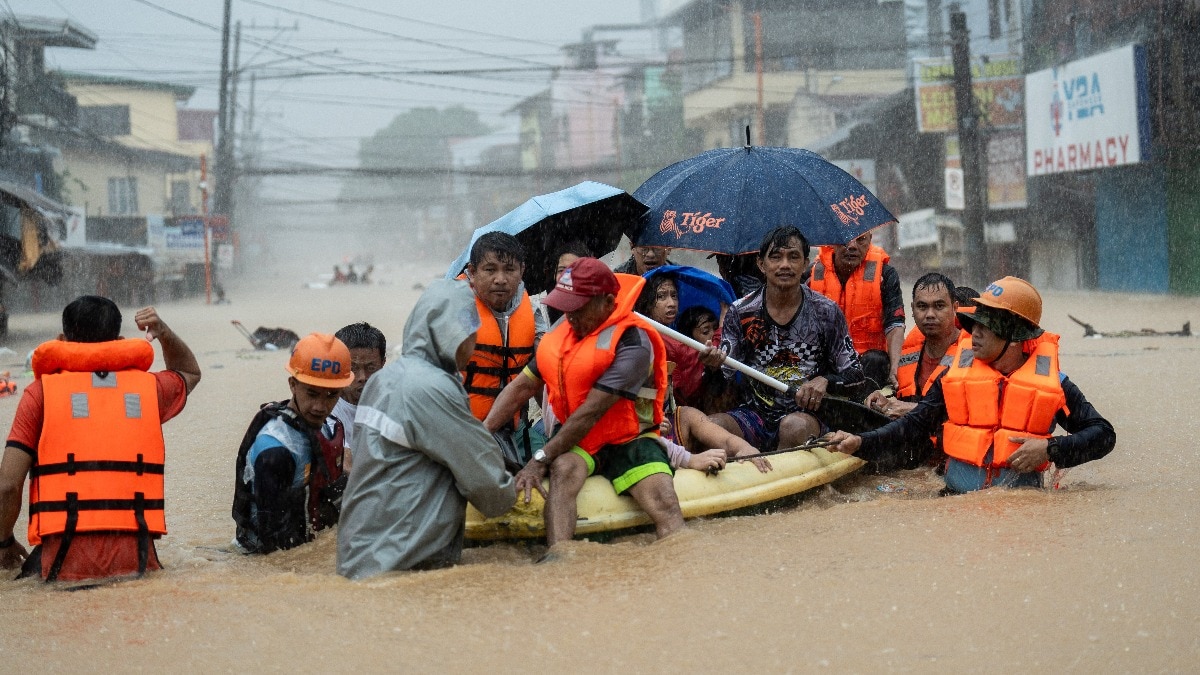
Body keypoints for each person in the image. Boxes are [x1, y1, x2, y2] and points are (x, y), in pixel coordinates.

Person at [825, 276, 1117, 493]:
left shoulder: (1055, 385)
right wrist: (861, 442)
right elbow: (912, 427)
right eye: (972, 325)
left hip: (1022, 511)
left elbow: (1104, 435)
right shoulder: (953, 380)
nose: (971, 334)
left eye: (983, 327)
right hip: (952, 501)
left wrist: (1050, 449)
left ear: (1013, 334)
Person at [484, 258, 685, 548]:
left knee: (664, 499)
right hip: (580, 440)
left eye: (578, 307)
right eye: (565, 306)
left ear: (607, 302)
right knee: (563, 470)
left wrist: (539, 459)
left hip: (630, 438)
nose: (570, 316)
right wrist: (483, 430)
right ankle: (558, 559)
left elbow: (590, 412)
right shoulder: (560, 335)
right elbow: (521, 387)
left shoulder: (633, 342)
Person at [0, 297, 201, 581]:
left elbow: (7, 486)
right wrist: (164, 332)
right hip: (137, 555)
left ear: (61, 339)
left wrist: (4, 542)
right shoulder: (148, 390)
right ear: (118, 340)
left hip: (63, 559)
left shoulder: (40, 394)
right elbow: (190, 372)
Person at [337, 280, 516, 578]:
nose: (474, 346)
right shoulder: (429, 388)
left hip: (360, 552)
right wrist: (512, 490)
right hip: (399, 561)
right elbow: (487, 485)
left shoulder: (386, 379)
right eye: (472, 336)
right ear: (456, 335)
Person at [704, 226, 864, 451]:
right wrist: (712, 367)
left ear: (805, 263)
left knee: (792, 427)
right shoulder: (740, 312)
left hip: (806, 418)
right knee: (711, 426)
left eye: (793, 257)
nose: (785, 265)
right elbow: (725, 377)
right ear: (762, 264)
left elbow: (856, 375)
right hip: (755, 416)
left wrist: (826, 380)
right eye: (776, 257)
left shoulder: (826, 311)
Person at [232, 333, 353, 554]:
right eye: (312, 393)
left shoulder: (327, 426)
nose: (320, 406)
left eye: (331, 395)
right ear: (292, 385)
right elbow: (275, 548)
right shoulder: (275, 451)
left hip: (305, 542)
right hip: (258, 559)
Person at [807, 230, 905, 388]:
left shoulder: (885, 275)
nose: (852, 246)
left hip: (867, 365)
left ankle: (862, 405)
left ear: (870, 240)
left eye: (860, 240)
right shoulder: (809, 276)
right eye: (844, 239)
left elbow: (895, 324)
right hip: (827, 364)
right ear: (832, 242)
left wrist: (895, 367)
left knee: (877, 359)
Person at [865, 273, 967, 420]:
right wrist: (887, 402)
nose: (930, 314)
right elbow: (905, 405)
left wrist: (913, 410)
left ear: (955, 308)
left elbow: (976, 411)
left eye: (939, 306)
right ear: (912, 309)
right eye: (922, 306)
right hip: (911, 437)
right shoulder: (906, 355)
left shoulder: (974, 352)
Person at [634, 273, 706, 408]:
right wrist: (722, 325)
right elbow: (695, 358)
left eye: (674, 296)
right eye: (661, 296)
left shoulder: (664, 332)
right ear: (647, 303)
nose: (671, 304)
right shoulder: (657, 337)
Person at [331, 322, 387, 472]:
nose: (362, 377)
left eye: (371, 368)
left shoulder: (395, 402)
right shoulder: (325, 408)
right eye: (353, 368)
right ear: (338, 365)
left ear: (383, 363)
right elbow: (346, 465)